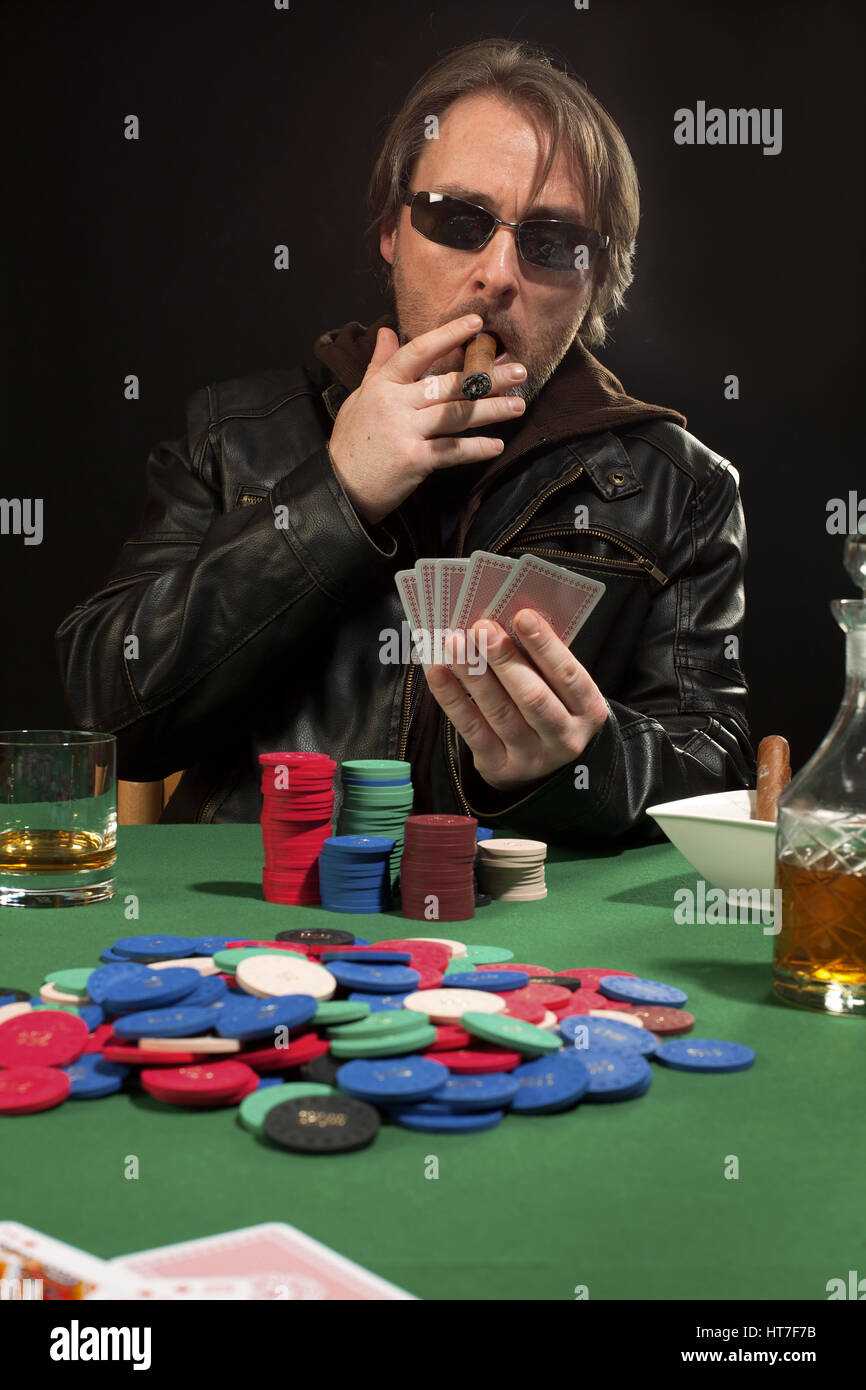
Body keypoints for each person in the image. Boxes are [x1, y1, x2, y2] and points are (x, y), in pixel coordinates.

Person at [55, 37, 753, 843]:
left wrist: (585, 760)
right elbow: (107, 708)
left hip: (527, 951)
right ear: (391, 230)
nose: (497, 274)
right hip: (250, 934)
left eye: (553, 243)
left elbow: (716, 778)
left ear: (597, 278)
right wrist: (337, 493)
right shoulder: (234, 433)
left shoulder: (682, 488)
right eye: (460, 220)